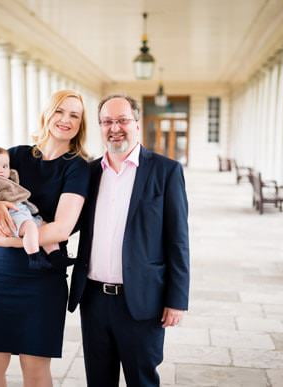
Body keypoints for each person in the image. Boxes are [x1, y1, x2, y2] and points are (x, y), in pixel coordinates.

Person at [0, 90, 90, 387]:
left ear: (80, 125)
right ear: (47, 113)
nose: (65, 120)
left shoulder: (78, 167)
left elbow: (60, 229)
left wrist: (5, 239)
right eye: (60, 111)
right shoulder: (16, 155)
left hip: (43, 277)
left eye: (74, 115)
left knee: (34, 369)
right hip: (0, 273)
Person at [68, 94, 190, 387]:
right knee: (98, 381)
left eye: (122, 120)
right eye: (107, 121)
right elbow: (64, 218)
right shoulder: (88, 172)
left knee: (142, 381)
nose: (115, 128)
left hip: (142, 301)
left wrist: (176, 300)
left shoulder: (166, 171)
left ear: (137, 123)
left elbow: (178, 241)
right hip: (94, 299)